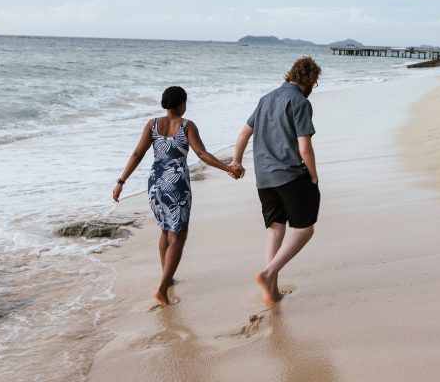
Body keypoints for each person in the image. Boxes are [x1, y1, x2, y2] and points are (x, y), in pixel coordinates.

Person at [113, 85, 243, 307]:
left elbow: (137, 154)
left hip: (155, 183)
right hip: (176, 185)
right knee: (179, 236)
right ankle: (162, 289)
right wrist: (228, 167)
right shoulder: (186, 126)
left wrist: (120, 182)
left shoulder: (152, 124)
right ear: (182, 104)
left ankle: (167, 277)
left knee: (165, 230)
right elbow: (202, 154)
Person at [231, 56, 321, 307]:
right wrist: (313, 175)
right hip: (289, 174)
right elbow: (305, 147)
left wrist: (237, 162)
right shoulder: (300, 102)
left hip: (263, 178)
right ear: (311, 80)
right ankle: (269, 274)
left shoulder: (266, 99)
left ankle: (271, 290)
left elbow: (243, 133)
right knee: (304, 229)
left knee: (276, 228)